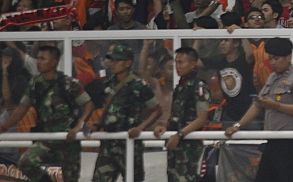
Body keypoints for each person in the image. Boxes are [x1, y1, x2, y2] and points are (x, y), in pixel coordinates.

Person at [225, 37, 293, 182]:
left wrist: (277, 106)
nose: (272, 63)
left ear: (288, 57)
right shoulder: (272, 77)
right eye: (270, 59)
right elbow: (258, 104)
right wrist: (237, 125)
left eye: (276, 58)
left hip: (290, 141)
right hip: (273, 140)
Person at [0, 45, 92, 182]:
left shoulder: (68, 83)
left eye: (43, 59)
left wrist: (80, 124)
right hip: (46, 139)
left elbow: (89, 104)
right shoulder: (35, 84)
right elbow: (21, 109)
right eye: (38, 58)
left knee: (70, 178)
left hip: (68, 141)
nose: (38, 62)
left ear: (54, 61)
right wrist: (5, 126)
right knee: (26, 162)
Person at [94, 43, 161, 182]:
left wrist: (140, 128)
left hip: (129, 142)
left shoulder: (138, 85)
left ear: (128, 63)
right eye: (112, 60)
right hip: (108, 142)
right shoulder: (108, 83)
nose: (113, 64)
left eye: (117, 60)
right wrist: (98, 124)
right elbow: (107, 108)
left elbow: (157, 110)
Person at [154, 47, 210, 182]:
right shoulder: (180, 86)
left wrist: (180, 134)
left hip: (189, 145)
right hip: (175, 142)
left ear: (193, 63)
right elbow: (176, 115)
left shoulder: (199, 85)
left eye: (181, 62)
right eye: (176, 62)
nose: (177, 66)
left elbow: (201, 118)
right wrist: (164, 126)